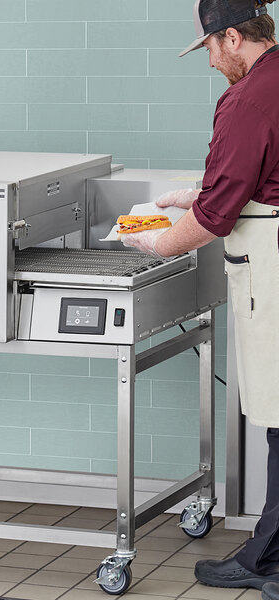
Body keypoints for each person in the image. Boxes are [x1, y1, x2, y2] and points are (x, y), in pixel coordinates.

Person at [121, 0, 279, 596]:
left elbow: (216, 220)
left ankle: (268, 558)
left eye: (210, 48)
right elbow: (256, 178)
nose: (210, 62)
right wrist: (203, 192)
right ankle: (267, 553)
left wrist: (159, 243)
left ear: (233, 37)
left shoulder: (248, 99)